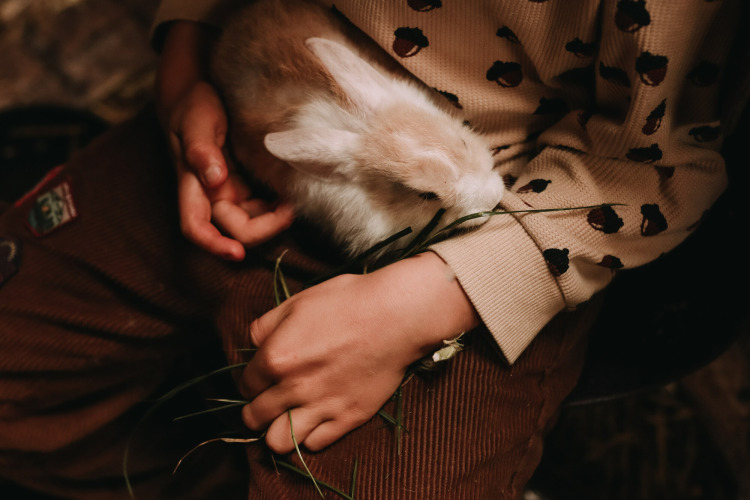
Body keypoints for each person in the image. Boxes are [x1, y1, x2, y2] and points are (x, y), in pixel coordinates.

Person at [0, 0, 746, 498]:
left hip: (484, 239)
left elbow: (655, 162)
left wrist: (439, 292)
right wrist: (187, 56)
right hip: (250, 109)